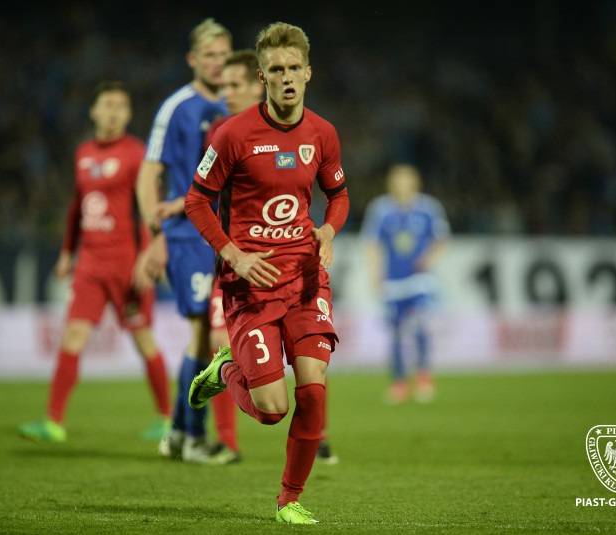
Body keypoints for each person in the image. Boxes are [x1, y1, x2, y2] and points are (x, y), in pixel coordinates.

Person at [185, 22, 349, 524]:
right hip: (250, 284)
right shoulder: (232, 135)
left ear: (308, 72)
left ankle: (289, 500)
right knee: (272, 409)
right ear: (262, 77)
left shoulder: (322, 133)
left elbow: (338, 195)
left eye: (294, 68)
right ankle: (225, 370)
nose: (286, 77)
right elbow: (197, 201)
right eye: (276, 70)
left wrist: (328, 230)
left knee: (313, 389)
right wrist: (233, 255)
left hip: (305, 277)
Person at [18, 81, 172, 443]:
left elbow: (149, 208)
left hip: (126, 263)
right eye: (107, 104)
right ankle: (53, 421)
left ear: (129, 114)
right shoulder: (83, 152)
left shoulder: (137, 154)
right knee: (73, 335)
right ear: (94, 111)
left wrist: (148, 255)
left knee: (143, 339)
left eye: (120, 106)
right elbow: (76, 207)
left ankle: (168, 419)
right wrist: (67, 253)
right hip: (89, 263)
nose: (113, 112)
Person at [135, 18, 232, 463]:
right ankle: (194, 437)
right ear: (193, 59)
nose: (218, 63)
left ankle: (176, 433)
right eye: (210, 55)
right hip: (186, 235)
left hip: (222, 236)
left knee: (208, 335)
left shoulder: (234, 104)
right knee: (203, 334)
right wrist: (155, 237)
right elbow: (148, 175)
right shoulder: (176, 107)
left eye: (224, 55)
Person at [202, 49, 265, 464]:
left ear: (258, 85)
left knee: (304, 352)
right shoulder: (219, 133)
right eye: (222, 85)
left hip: (282, 260)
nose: (226, 92)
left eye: (234, 84)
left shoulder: (291, 129)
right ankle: (228, 441)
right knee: (219, 341)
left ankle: (320, 437)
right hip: (231, 262)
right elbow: (201, 196)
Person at [360, 163, 450, 404]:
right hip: (393, 283)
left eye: (406, 180)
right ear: (390, 184)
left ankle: (423, 378)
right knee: (396, 332)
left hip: (420, 281)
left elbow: (442, 238)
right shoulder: (380, 209)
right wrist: (374, 274)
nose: (401, 185)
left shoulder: (429, 208)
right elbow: (371, 244)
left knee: (420, 324)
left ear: (415, 183)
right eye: (397, 180)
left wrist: (428, 258)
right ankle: (399, 382)